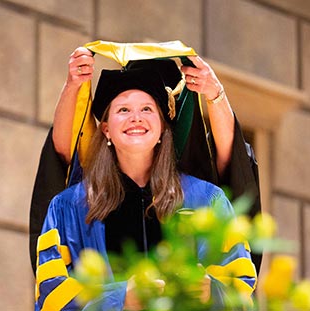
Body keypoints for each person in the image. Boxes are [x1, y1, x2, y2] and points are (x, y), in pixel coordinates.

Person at [33, 48, 257, 310]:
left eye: (147, 109)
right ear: (106, 129)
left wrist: (212, 292)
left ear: (163, 127)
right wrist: (121, 298)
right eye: (124, 109)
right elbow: (50, 297)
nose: (136, 118)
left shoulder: (207, 200)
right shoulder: (69, 207)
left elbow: (243, 292)